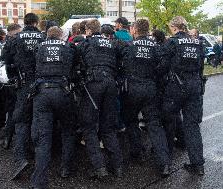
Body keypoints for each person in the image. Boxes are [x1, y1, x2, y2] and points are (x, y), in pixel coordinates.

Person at [121, 20, 171, 177]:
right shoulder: (156, 47)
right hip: (150, 88)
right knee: (155, 125)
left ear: (135, 30)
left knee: (131, 121)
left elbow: (120, 65)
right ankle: (164, 164)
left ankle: (137, 152)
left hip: (133, 88)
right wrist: (154, 75)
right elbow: (165, 64)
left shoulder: (128, 46)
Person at [30, 26, 77, 188]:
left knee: (43, 138)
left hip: (42, 93)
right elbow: (74, 67)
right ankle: (65, 168)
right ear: (60, 36)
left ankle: (39, 181)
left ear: (48, 36)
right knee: (68, 131)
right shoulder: (68, 47)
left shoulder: (39, 47)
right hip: (63, 92)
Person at [77, 19, 124, 178]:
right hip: (111, 84)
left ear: (89, 30)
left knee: (89, 126)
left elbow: (76, 63)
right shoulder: (113, 43)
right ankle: (117, 167)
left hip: (93, 84)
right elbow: (122, 59)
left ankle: (99, 167)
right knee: (108, 127)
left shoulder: (86, 43)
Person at [3, 13, 45, 179]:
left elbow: (5, 61)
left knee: (21, 120)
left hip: (23, 84)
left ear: (24, 22)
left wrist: (14, 77)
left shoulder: (15, 38)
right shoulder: (42, 38)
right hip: (41, 83)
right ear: (36, 23)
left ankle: (21, 158)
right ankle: (39, 157)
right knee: (40, 118)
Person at [162, 16, 205, 175]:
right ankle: (198, 164)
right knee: (192, 125)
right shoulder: (198, 42)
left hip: (176, 86)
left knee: (169, 119)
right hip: (195, 85)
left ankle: (165, 160)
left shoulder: (172, 42)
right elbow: (201, 66)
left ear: (174, 27)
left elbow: (163, 65)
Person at [0, 23, 22, 149]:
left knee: (13, 111)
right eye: (18, 33)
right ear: (11, 33)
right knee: (15, 111)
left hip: (10, 80)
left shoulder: (7, 43)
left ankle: (8, 138)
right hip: (13, 81)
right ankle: (10, 138)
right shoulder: (10, 44)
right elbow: (6, 62)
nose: (20, 36)